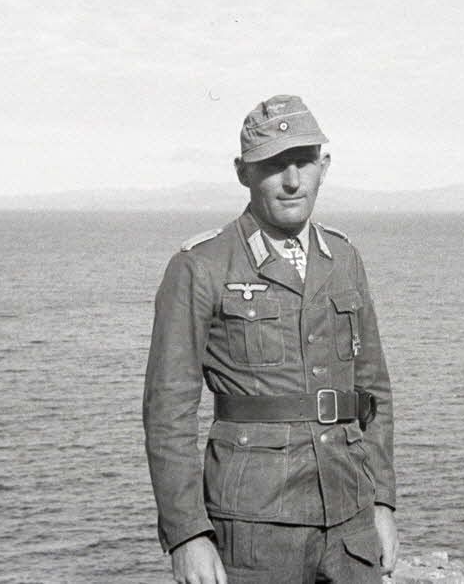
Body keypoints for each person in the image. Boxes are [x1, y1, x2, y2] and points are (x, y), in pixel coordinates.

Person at [144, 94, 398, 584]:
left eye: (304, 161)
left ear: (324, 167)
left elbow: (374, 392)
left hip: (350, 524)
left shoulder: (344, 258)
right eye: (273, 164)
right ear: (243, 172)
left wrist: (383, 502)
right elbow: (167, 411)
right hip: (254, 532)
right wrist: (187, 534)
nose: (292, 180)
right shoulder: (201, 266)